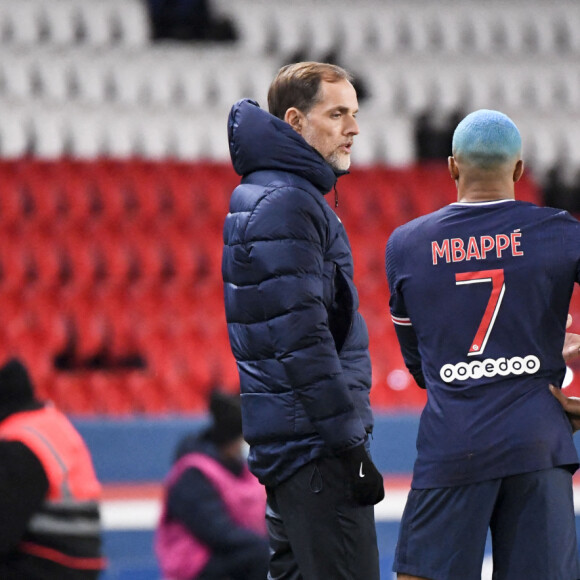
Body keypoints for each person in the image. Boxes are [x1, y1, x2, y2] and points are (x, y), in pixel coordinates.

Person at [386, 109, 580, 580]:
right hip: (539, 441)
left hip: (453, 441)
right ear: (519, 170)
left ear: (452, 167)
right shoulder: (562, 232)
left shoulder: (407, 245)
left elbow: (419, 363)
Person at [222, 62, 384, 579]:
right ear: (294, 121)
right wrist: (348, 446)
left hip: (295, 450)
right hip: (317, 454)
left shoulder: (269, 194)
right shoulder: (288, 203)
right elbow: (303, 339)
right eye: (337, 114)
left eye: (354, 114)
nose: (353, 129)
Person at [0, 358, 105, 579]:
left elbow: (4, 528)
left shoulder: (20, 444)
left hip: (44, 561)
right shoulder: (52, 423)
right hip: (80, 560)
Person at [155, 390, 268, 580]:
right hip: (195, 566)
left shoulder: (244, 471)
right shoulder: (193, 474)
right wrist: (263, 544)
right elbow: (217, 532)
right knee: (262, 555)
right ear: (232, 439)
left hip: (235, 553)